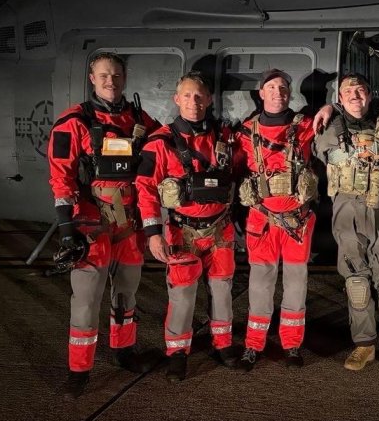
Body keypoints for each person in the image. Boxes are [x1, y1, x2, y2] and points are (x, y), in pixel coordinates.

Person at [47, 52, 161, 399]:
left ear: (124, 78)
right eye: (103, 76)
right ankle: (79, 370)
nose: (111, 81)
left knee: (126, 293)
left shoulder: (141, 120)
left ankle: (124, 351)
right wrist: (67, 229)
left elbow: (168, 145)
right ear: (92, 79)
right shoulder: (73, 123)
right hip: (91, 224)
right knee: (85, 300)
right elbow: (60, 176)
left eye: (116, 75)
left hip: (129, 225)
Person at [136, 71, 241, 382]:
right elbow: (145, 188)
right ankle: (177, 352)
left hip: (221, 229)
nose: (194, 102)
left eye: (200, 96)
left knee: (222, 290)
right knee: (182, 296)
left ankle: (222, 344)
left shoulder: (224, 137)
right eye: (187, 96)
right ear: (176, 99)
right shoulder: (159, 143)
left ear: (208, 100)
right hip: (182, 230)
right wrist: (153, 233)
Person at [313, 73, 379, 371]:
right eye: (348, 92)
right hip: (347, 212)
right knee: (356, 280)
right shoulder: (326, 126)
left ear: (370, 94)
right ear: (339, 98)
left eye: (361, 90)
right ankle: (364, 344)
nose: (355, 96)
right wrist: (329, 109)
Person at [235, 69, 317, 370]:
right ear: (261, 93)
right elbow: (233, 172)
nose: (277, 92)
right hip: (262, 221)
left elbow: (338, 119)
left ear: (289, 93)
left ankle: (292, 345)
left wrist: (329, 106)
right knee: (260, 285)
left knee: (296, 285)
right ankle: (253, 345)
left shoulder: (306, 127)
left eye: (283, 87)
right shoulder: (245, 132)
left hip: (298, 221)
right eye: (271, 87)